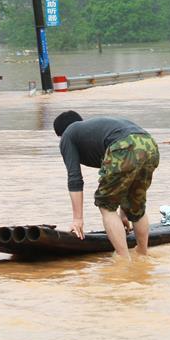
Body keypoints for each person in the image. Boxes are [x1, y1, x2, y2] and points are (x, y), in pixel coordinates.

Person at [54, 111, 159, 259]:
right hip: (149, 145)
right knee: (136, 204)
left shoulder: (68, 135)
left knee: (105, 204)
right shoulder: (94, 130)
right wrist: (124, 212)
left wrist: (77, 220)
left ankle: (123, 259)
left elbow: (74, 178)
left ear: (60, 134)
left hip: (123, 145)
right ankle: (143, 252)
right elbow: (125, 180)